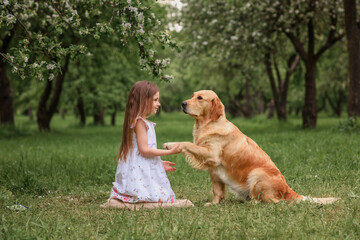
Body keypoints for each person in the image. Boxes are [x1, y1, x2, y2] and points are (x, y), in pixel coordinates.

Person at [100, 81, 193, 210]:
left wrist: (158, 163)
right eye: (155, 100)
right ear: (143, 101)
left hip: (141, 164)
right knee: (149, 196)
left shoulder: (142, 122)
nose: (159, 104)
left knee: (156, 194)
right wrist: (169, 152)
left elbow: (142, 152)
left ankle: (131, 202)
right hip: (137, 168)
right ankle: (128, 204)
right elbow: (144, 151)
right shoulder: (139, 122)